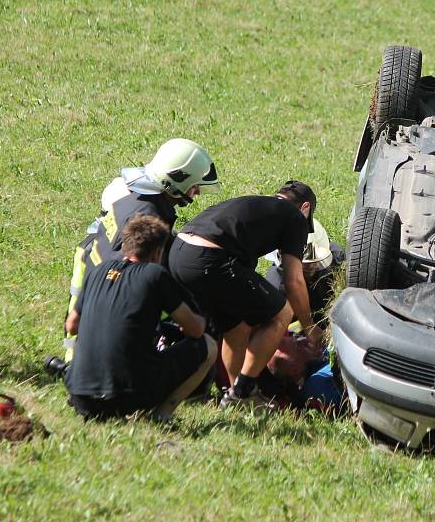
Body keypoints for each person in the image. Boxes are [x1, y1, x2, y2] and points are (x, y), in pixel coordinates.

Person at [63, 138, 219, 361]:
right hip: (100, 278)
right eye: (194, 186)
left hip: (92, 262)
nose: (197, 193)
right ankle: (79, 364)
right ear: (176, 182)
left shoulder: (141, 195)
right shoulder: (148, 214)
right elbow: (125, 280)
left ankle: (79, 363)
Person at [167, 180, 319, 408]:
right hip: (208, 257)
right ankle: (244, 390)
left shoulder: (256, 205)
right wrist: (309, 327)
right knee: (281, 313)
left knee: (236, 326)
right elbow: (294, 280)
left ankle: (234, 395)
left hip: (178, 253)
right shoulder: (295, 216)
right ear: (305, 208)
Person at [64, 214, 217, 421]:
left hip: (80, 394)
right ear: (158, 251)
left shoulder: (98, 272)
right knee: (208, 345)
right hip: (128, 397)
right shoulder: (154, 274)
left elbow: (71, 325)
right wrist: (200, 320)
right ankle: (163, 414)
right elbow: (195, 330)